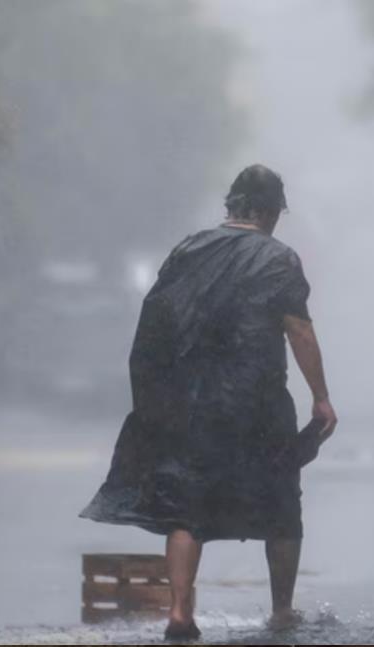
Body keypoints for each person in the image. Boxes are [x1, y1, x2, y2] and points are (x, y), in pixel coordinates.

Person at [79, 164, 337, 639]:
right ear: (267, 211)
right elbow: (299, 331)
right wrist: (321, 398)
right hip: (258, 404)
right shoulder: (279, 259)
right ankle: (282, 612)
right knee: (281, 505)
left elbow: (153, 326)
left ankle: (179, 612)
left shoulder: (187, 250)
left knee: (187, 509)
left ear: (233, 206)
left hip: (192, 404)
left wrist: (154, 401)